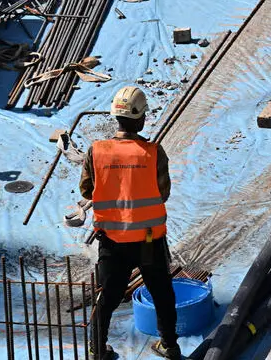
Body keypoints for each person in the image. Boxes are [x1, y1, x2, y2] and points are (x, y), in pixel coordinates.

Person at [79, 86, 181, 359]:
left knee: (108, 297)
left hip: (112, 240)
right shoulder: (153, 152)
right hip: (150, 239)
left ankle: (97, 350)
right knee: (161, 293)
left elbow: (87, 191)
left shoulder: (96, 151)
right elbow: (163, 193)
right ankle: (169, 346)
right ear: (141, 118)